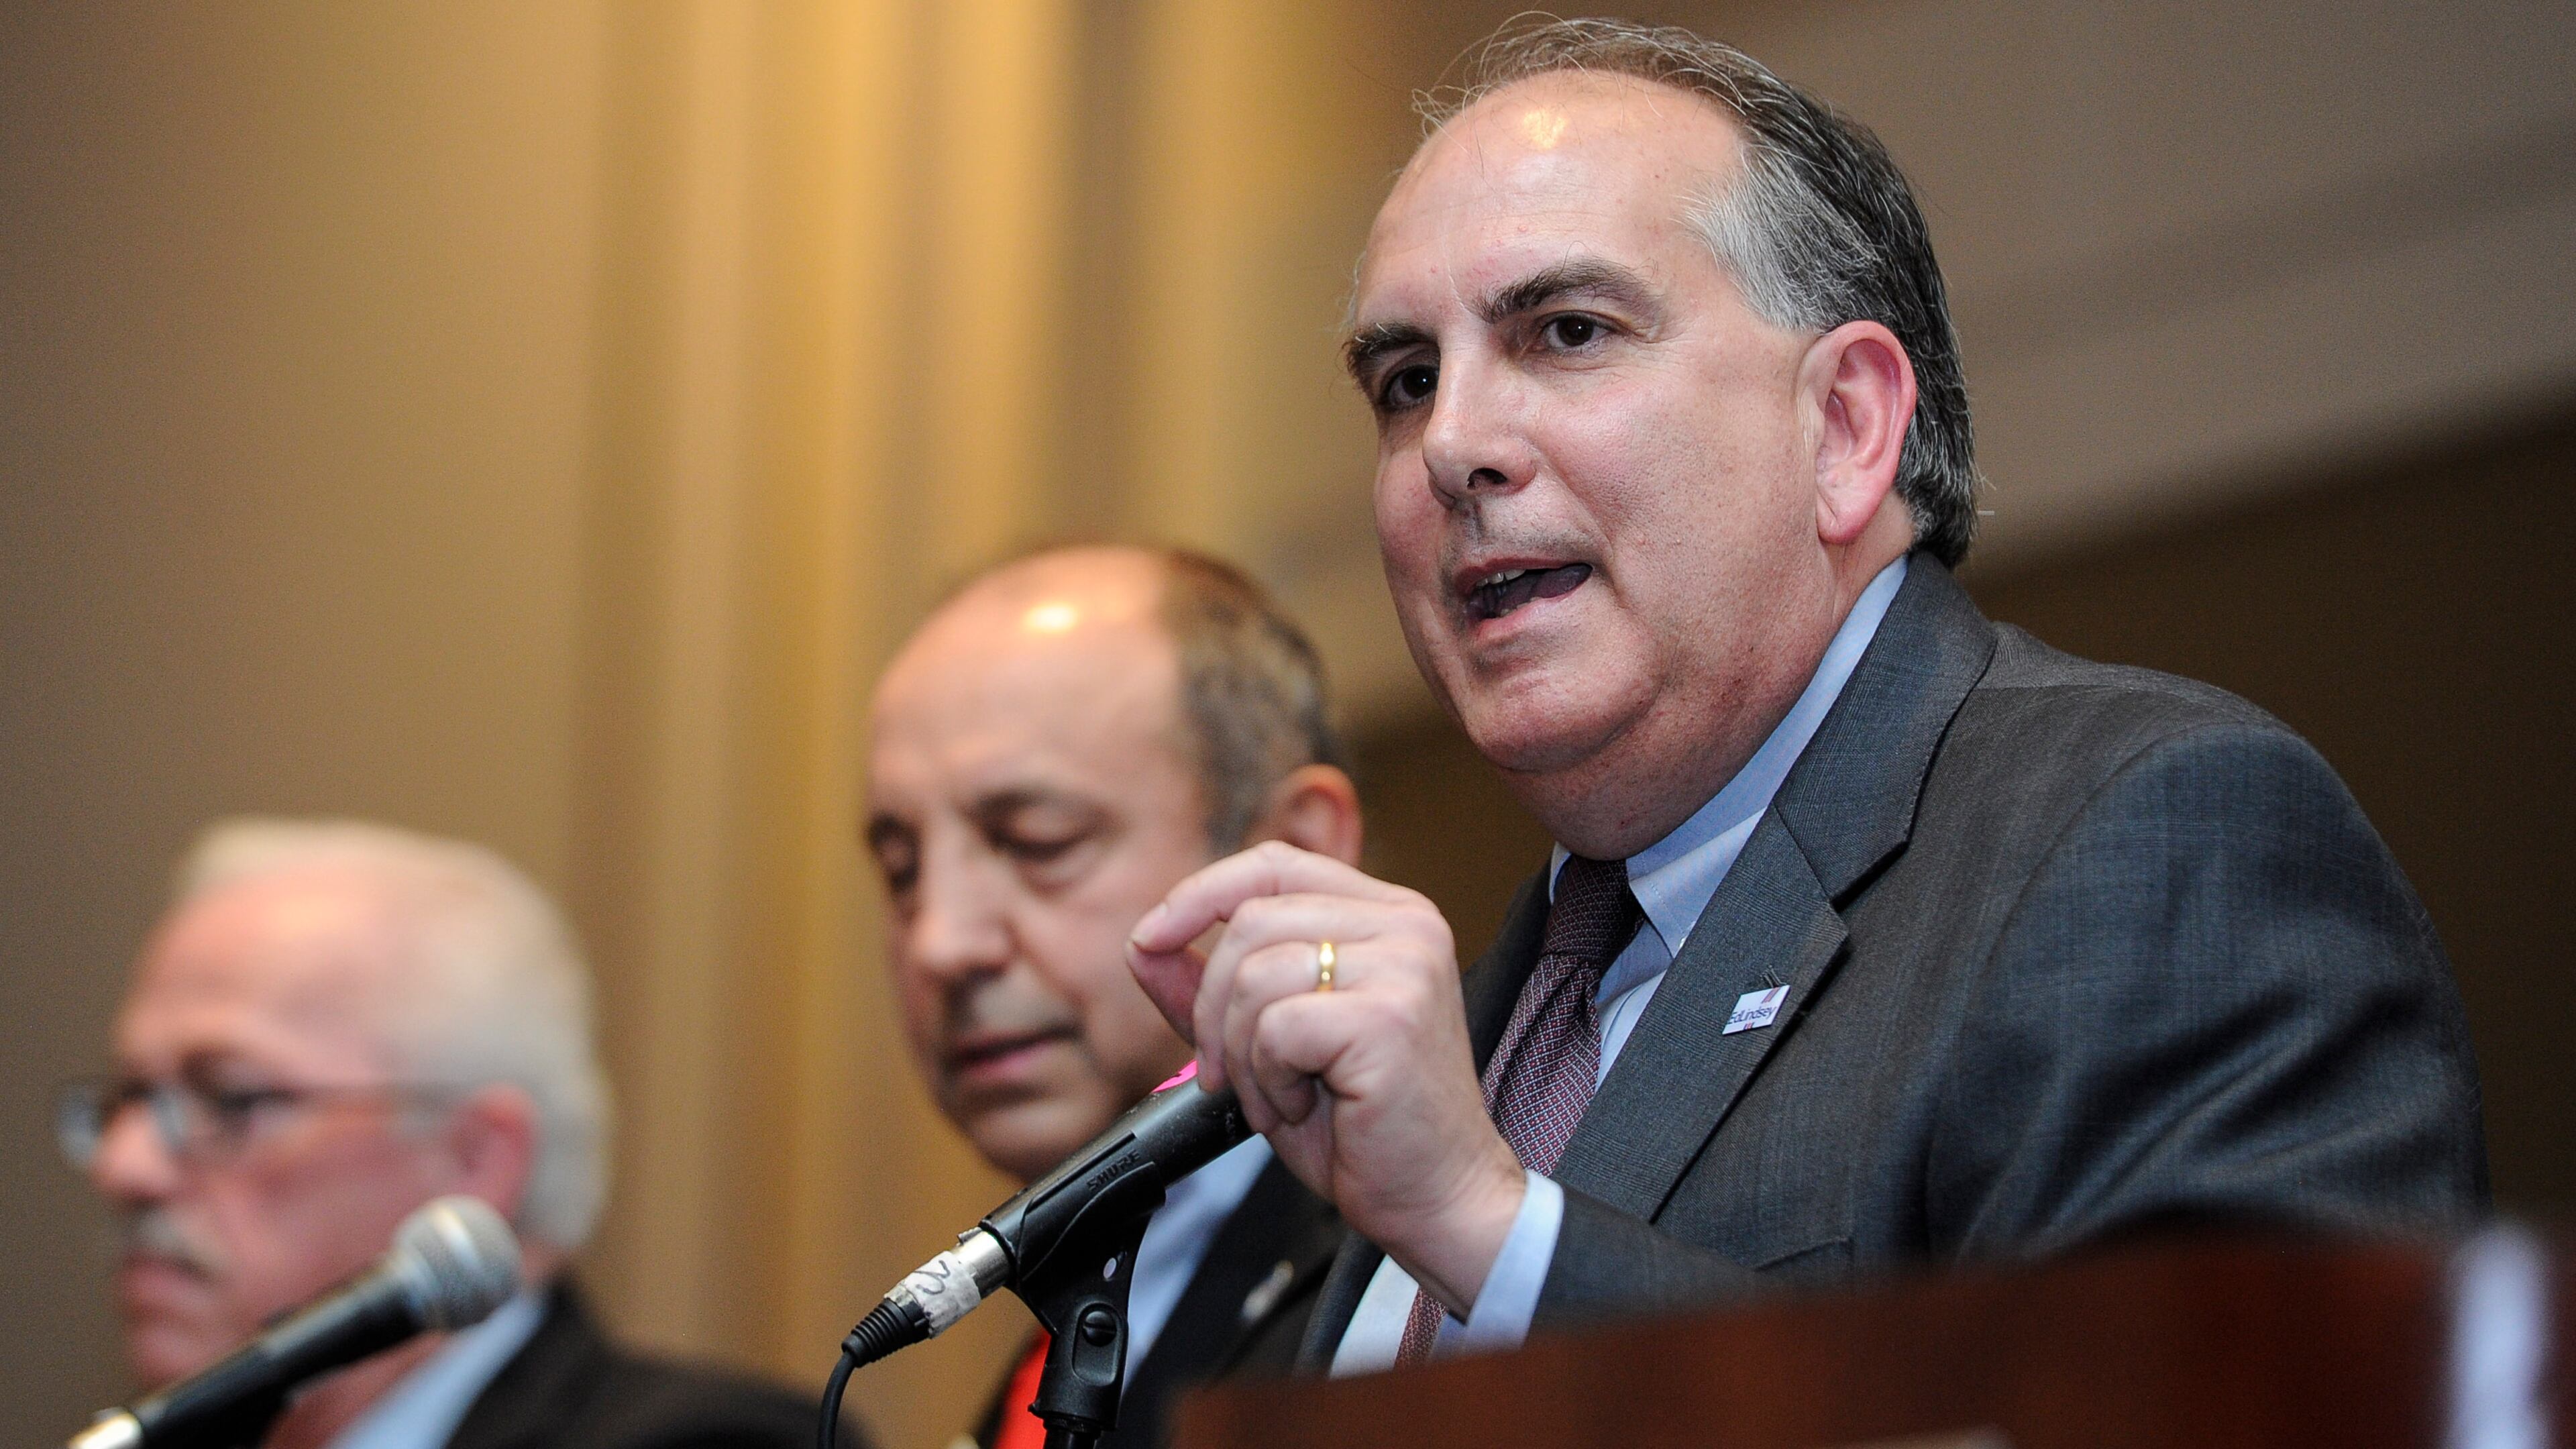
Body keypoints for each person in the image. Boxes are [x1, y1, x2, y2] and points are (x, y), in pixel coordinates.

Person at [1122, 17, 2488, 1377]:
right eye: (1407, 382)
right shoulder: (1492, 1013)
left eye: (1569, 332)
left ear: (1844, 426)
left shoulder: (2157, 843)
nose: (1453, 445)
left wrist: (1493, 1228)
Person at [62, 818, 826, 1449]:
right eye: (131, 1098)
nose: (125, 1165)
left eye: (232, 1100)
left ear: (475, 1161)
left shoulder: (718, 1443)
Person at [865, 546, 1354, 1446]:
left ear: (1295, 853)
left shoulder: (1420, 1294)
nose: (940, 942)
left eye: (1038, 840)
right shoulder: (1068, 1307)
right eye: (902, 871)